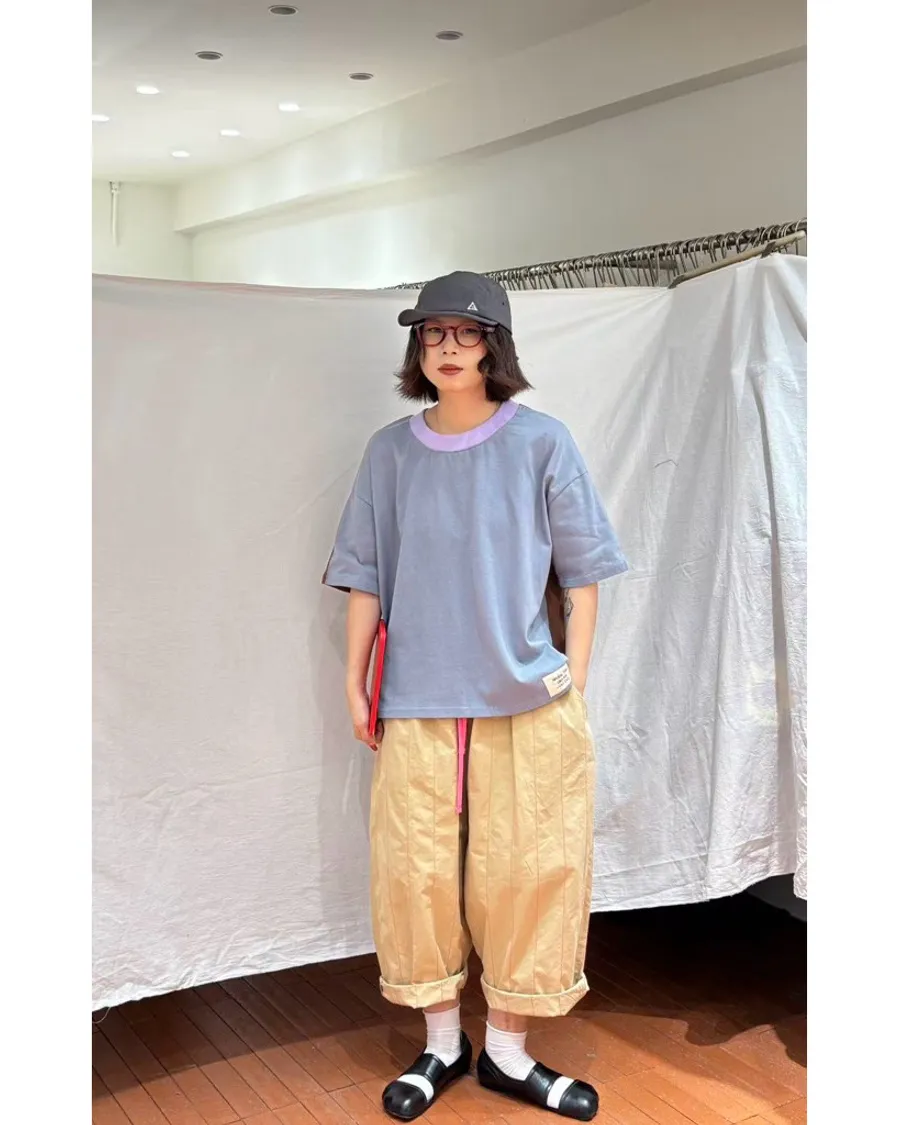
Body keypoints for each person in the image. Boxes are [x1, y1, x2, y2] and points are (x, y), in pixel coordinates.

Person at [323, 271, 627, 1122]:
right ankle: (441, 1043)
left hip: (526, 699)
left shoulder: (542, 442)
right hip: (417, 699)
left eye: (466, 332)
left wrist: (572, 681)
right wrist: (353, 679)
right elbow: (365, 574)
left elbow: (584, 571)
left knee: (529, 871)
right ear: (417, 347)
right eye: (433, 333)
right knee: (416, 873)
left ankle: (508, 1051)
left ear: (496, 343)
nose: (448, 347)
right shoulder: (390, 452)